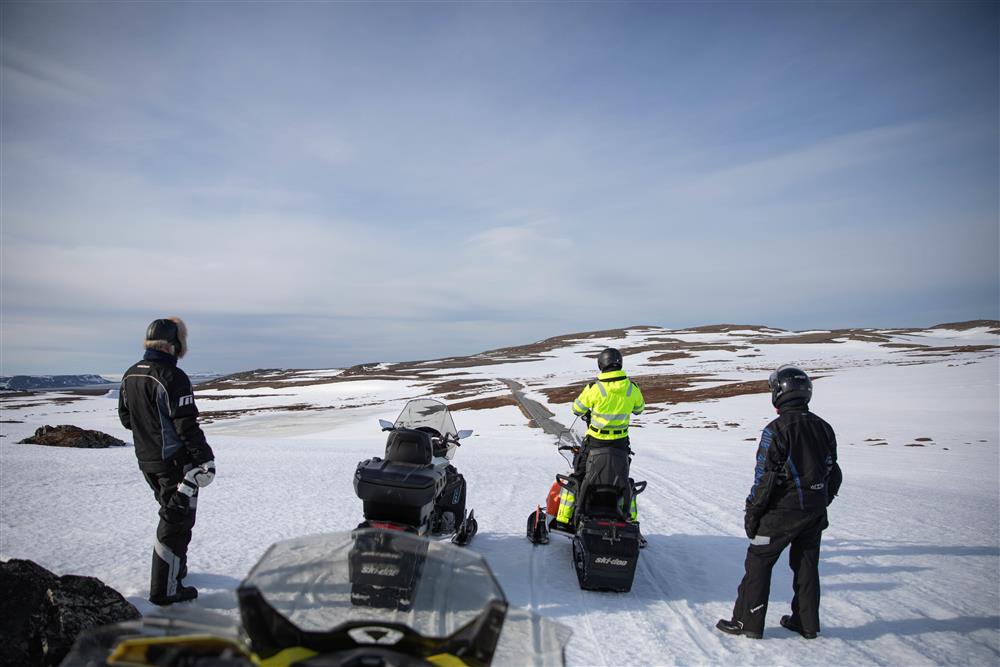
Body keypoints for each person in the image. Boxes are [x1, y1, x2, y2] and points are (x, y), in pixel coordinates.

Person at [716, 364, 842, 639]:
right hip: (814, 509)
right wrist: (822, 500)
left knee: (759, 562)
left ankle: (746, 623)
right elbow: (834, 471)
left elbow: (764, 478)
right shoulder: (824, 427)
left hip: (781, 511)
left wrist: (753, 513)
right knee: (807, 566)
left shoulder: (776, 430)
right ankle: (806, 623)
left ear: (779, 394)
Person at [118, 317, 216, 605]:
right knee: (176, 521)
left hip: (147, 461)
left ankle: (176, 571)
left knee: (171, 513)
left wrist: (151, 433)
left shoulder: (131, 374)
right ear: (175, 344)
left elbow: (127, 419)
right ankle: (165, 589)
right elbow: (187, 425)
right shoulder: (172, 377)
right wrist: (205, 459)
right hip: (174, 462)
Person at [557, 348, 645, 533]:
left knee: (579, 476)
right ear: (619, 364)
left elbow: (577, 408)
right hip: (621, 443)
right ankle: (630, 519)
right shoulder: (632, 388)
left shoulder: (594, 388)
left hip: (596, 441)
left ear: (601, 364)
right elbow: (639, 408)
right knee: (622, 480)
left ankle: (564, 519)